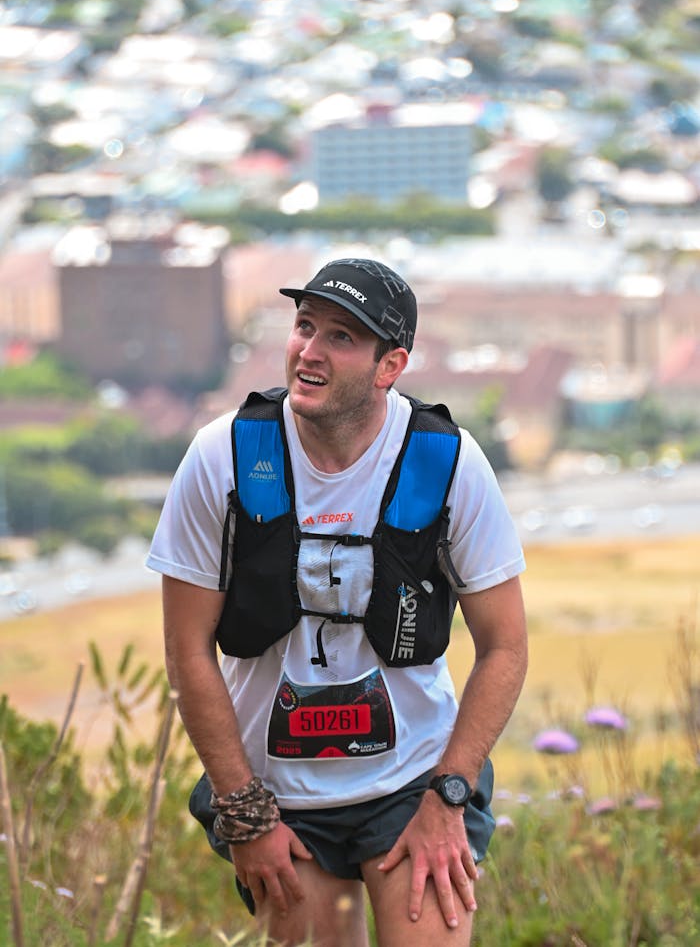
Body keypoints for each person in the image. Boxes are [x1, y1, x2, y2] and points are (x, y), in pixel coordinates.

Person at [147, 256, 528, 947]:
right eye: (304, 326)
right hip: (275, 794)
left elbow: (505, 646)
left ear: (390, 365)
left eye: (342, 337)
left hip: (414, 778)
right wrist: (245, 814)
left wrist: (451, 797)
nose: (309, 351)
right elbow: (187, 651)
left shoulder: (446, 462)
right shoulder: (223, 457)